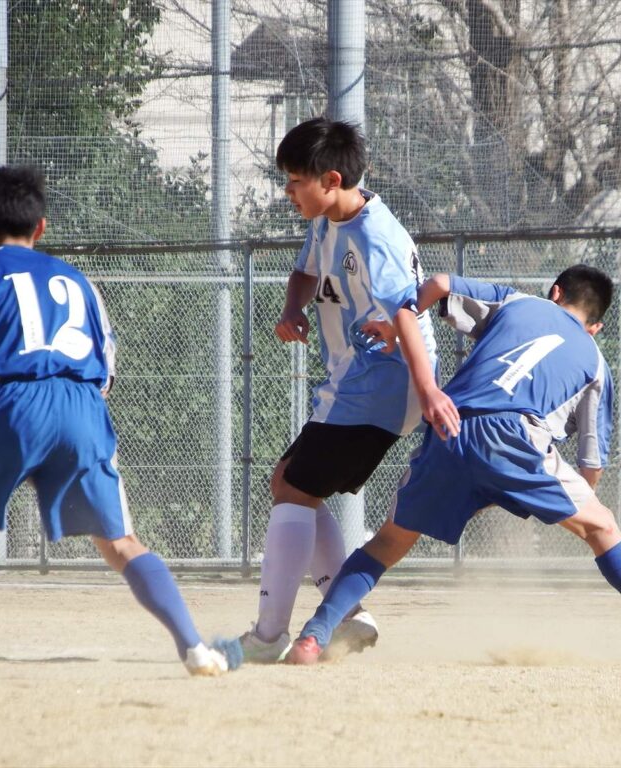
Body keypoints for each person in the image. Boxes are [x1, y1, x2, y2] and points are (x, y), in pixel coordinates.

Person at [0, 165, 240, 678]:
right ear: (41, 226)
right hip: (82, 402)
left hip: (10, 398)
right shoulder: (79, 281)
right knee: (121, 542)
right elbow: (106, 369)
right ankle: (194, 648)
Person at [285, 266, 621, 664]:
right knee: (604, 527)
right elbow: (591, 460)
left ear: (555, 292)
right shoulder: (596, 362)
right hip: (516, 435)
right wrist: (574, 505)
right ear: (595, 326)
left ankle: (313, 637)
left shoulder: (516, 302)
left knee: (387, 543)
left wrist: (398, 325)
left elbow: (440, 283)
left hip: (450, 425)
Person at [240, 117, 460, 663]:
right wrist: (293, 309)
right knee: (289, 484)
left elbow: (407, 316)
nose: (288, 192)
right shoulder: (327, 219)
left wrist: (429, 392)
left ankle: (269, 637)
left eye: (295, 181)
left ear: (331, 180)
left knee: (294, 488)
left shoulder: (375, 237)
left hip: (382, 383)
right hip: (351, 380)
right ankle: (347, 614)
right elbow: (305, 273)